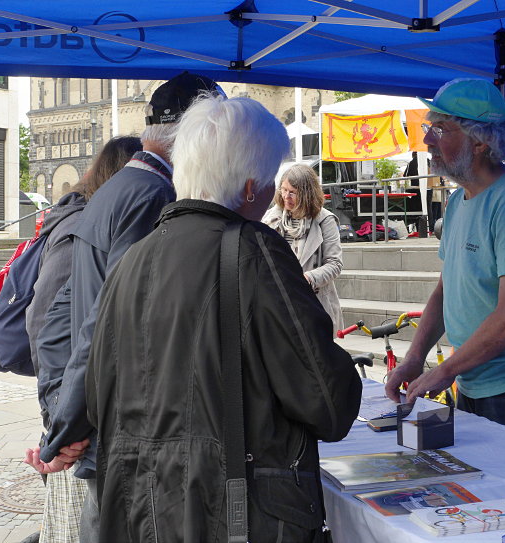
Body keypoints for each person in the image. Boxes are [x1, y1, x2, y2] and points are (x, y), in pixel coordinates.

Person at [85, 95, 361, 542]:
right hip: (234, 513)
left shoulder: (132, 260)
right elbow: (327, 402)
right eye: (271, 178)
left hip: (139, 511)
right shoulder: (256, 252)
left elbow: (100, 399)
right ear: (251, 188)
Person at [23, 72, 224, 542]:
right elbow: (106, 321)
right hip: (128, 432)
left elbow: (54, 323)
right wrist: (66, 429)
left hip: (106, 431)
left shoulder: (113, 189)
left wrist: (62, 417)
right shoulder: (154, 196)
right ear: (194, 133)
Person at [385, 78, 505, 440]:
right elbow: (446, 292)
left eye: (440, 128)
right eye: (429, 127)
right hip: (477, 381)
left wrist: (444, 371)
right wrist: (416, 357)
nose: (428, 139)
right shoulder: (458, 201)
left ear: (480, 142)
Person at [26, 136, 142, 543]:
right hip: (80, 427)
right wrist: (62, 421)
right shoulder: (82, 224)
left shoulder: (93, 218)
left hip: (81, 420)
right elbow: (46, 325)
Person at [263, 163, 344, 332]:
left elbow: (335, 264)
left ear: (307, 193)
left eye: (292, 192)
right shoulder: (271, 217)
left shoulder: (325, 220)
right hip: (278, 304)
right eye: (283, 190)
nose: (286, 196)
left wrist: (307, 278)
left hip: (313, 304)